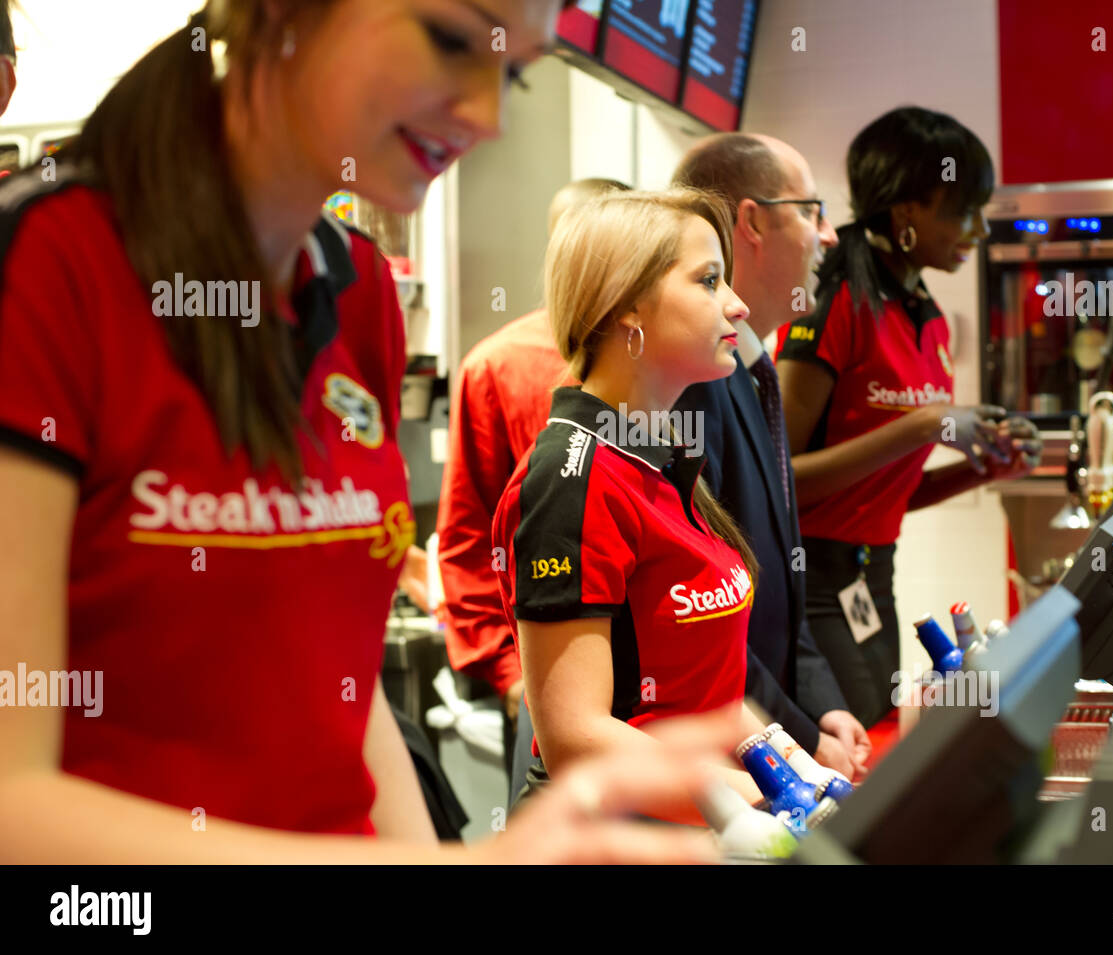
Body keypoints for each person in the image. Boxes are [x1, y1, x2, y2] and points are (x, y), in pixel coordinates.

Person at [0, 0, 728, 864]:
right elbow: (16, 802)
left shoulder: (358, 291)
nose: (487, 117)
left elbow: (343, 695)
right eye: (453, 40)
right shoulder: (47, 264)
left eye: (514, 71)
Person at [493, 188, 770, 821]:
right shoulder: (574, 477)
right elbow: (575, 739)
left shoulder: (656, 453)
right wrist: (735, 797)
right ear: (628, 307)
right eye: (708, 280)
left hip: (684, 825)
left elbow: (700, 689)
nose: (737, 302)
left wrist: (779, 754)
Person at [776, 107, 1042, 728]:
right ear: (905, 215)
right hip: (811, 577)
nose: (977, 229)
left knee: (883, 729)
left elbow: (883, 493)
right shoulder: (833, 300)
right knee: (858, 745)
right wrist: (929, 424)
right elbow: (781, 479)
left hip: (875, 571)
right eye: (961, 210)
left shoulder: (926, 315)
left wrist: (982, 473)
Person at [672, 133, 870, 780]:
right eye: (813, 209)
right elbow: (707, 620)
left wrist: (823, 705)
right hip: (723, 756)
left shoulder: (752, 368)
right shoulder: (692, 381)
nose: (830, 235)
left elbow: (780, 578)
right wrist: (799, 736)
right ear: (752, 222)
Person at [437, 177, 629, 764]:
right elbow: (467, 537)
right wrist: (510, 674)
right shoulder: (497, 367)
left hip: (660, 675)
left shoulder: (667, 360)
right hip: (550, 679)